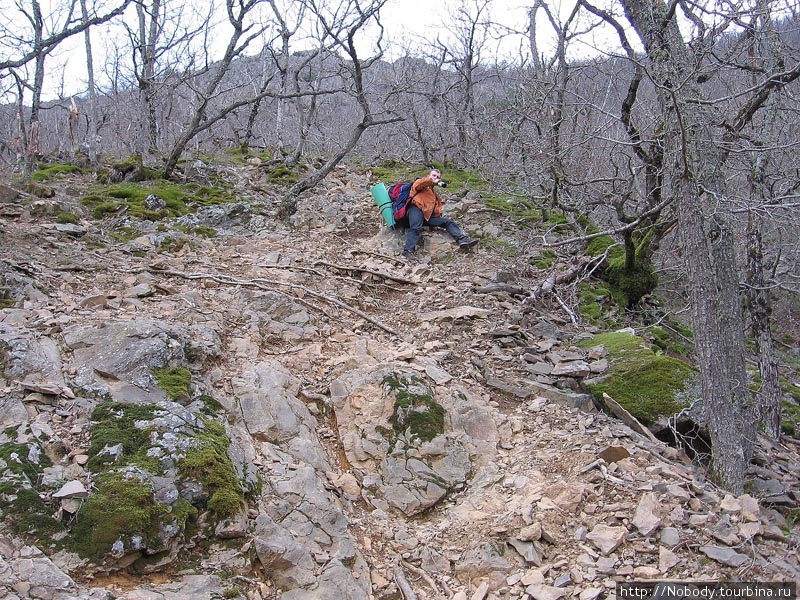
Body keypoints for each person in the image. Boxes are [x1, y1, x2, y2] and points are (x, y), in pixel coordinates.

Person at [401, 168, 478, 262]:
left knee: (447, 222)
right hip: (415, 209)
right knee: (416, 227)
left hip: (426, 217)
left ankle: (462, 239)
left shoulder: (434, 194)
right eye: (434, 175)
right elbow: (420, 184)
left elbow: (435, 212)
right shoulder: (420, 182)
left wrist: (434, 226)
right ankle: (408, 251)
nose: (436, 178)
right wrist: (430, 180)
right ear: (428, 176)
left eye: (438, 177)